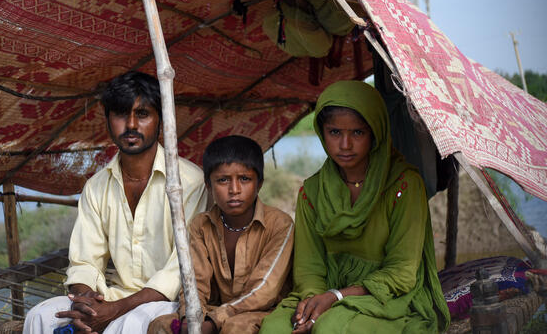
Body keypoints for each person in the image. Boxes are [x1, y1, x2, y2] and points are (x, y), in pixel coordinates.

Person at [23, 71, 209, 334]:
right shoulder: (97, 187)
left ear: (161, 119)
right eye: (121, 114)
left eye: (142, 114)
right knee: (40, 317)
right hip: (111, 297)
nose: (131, 124)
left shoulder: (190, 183)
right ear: (108, 121)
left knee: (129, 326)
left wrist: (116, 310)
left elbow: (180, 270)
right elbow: (85, 261)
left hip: (166, 303)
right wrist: (86, 302)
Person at [259, 81, 450, 333]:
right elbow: (309, 268)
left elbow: (401, 273)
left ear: (375, 133)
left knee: (330, 329)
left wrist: (336, 297)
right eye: (335, 132)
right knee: (274, 329)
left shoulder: (404, 185)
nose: (345, 144)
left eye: (357, 133)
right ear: (322, 132)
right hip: (324, 294)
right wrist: (310, 304)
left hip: (387, 297)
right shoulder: (312, 192)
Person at [148, 136, 294, 334]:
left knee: (236, 328)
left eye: (244, 179)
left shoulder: (280, 224)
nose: (234, 190)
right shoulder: (201, 225)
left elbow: (264, 291)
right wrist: (190, 317)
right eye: (223, 180)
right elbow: (194, 283)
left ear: (259, 184)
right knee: (161, 325)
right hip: (214, 312)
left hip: (265, 311)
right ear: (208, 186)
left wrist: (214, 321)